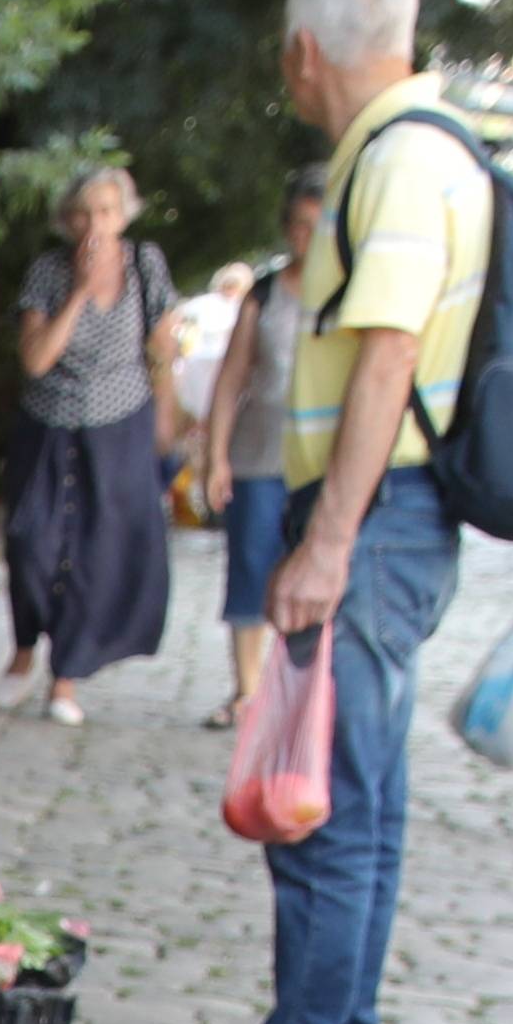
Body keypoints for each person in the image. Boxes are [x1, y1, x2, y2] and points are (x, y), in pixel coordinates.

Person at [139, 0, 487, 1024]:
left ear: (300, 50)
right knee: (359, 808)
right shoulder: (433, 148)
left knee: (322, 806)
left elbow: (383, 352)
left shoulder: (393, 162)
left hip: (371, 514)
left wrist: (325, 537)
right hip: (390, 514)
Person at [0, 167, 176, 723]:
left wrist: (167, 422)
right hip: (48, 425)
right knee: (30, 543)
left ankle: (65, 680)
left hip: (120, 425)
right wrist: (78, 290)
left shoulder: (146, 265)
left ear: (123, 215)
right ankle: (25, 648)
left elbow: (164, 350)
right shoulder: (47, 272)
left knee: (96, 554)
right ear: (66, 219)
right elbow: (35, 359)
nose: (94, 224)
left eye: (105, 211)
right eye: (82, 212)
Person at [194, 172, 325, 732]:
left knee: (311, 573)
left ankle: (299, 695)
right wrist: (216, 455)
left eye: (318, 228)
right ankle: (247, 692)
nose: (306, 239)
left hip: (319, 463)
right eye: (298, 226)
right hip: (258, 455)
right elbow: (232, 379)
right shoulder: (265, 295)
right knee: (249, 568)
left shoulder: (351, 293)